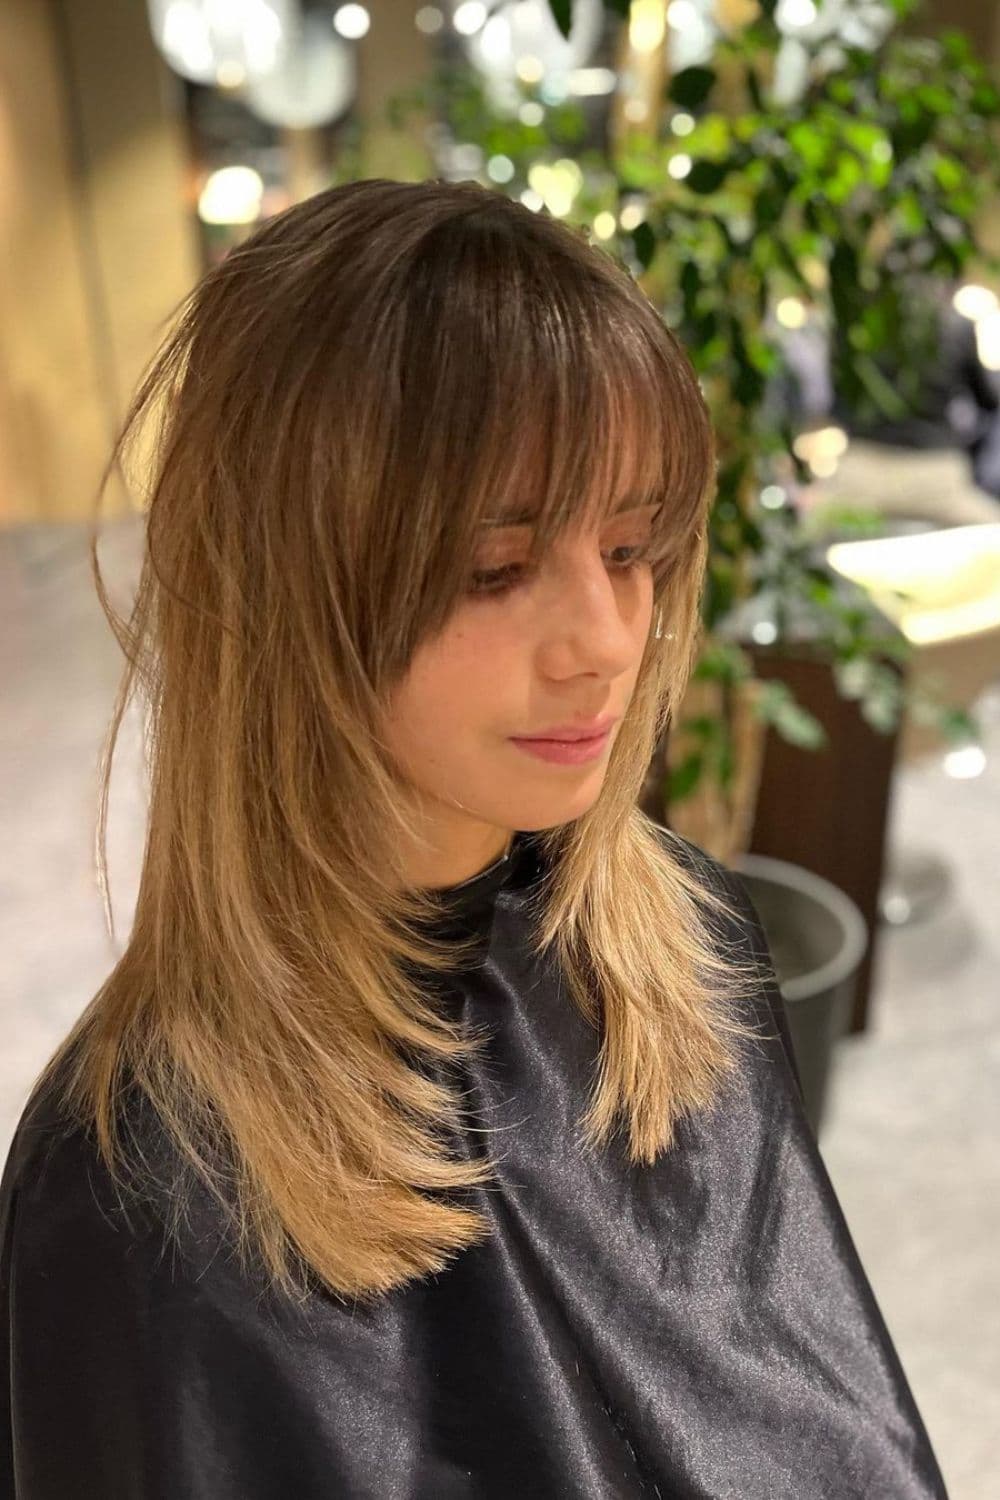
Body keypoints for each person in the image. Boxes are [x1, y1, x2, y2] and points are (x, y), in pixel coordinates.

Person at [0, 178, 948, 1498]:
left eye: (633, 549)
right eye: (495, 571)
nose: (605, 644)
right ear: (289, 593)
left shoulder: (685, 941)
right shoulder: (134, 1191)